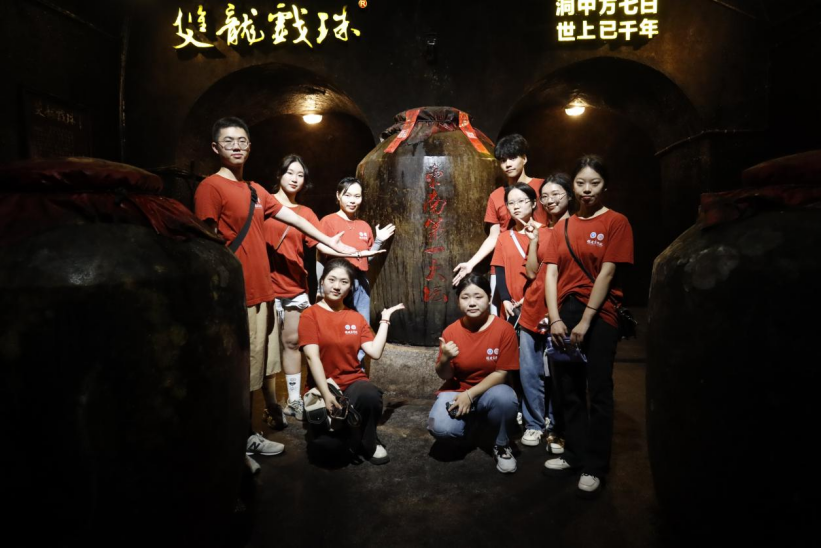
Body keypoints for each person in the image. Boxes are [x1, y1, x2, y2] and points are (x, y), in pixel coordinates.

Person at [193, 117, 351, 469]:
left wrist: (331, 242)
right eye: (228, 141)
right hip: (237, 293)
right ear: (215, 148)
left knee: (255, 370)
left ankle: (247, 434)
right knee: (235, 370)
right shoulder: (210, 187)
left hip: (262, 293)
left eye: (242, 141)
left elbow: (294, 219)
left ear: (250, 147)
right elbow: (206, 244)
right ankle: (234, 445)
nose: (236, 146)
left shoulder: (254, 191)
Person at [543, 155, 634, 497]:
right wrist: (555, 317)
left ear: (604, 186)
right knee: (567, 388)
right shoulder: (562, 227)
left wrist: (585, 320)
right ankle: (575, 454)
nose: (586, 189)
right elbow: (551, 273)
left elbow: (608, 272)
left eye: (594, 183)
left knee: (598, 390)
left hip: (600, 315)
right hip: (564, 313)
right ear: (573, 186)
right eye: (581, 183)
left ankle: (595, 465)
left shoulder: (616, 222)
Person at [263, 155, 351, 425]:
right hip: (265, 286)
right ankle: (270, 404)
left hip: (294, 286)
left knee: (292, 343)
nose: (294, 179)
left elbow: (319, 244)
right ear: (279, 174)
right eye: (290, 173)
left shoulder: (306, 213)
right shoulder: (263, 203)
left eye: (300, 175)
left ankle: (293, 401)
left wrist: (350, 250)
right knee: (267, 349)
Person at [299, 259, 404, 464]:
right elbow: (312, 357)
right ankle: (349, 434)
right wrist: (327, 394)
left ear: (350, 287)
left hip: (352, 384)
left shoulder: (355, 317)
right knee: (327, 452)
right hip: (323, 387)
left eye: (344, 282)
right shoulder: (310, 315)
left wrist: (385, 320)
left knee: (370, 394)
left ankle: (369, 441)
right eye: (332, 280)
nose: (337, 286)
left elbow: (374, 352)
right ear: (322, 281)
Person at [427, 275, 521, 474]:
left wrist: (470, 395)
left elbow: (502, 373)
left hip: (491, 392)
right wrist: (445, 359)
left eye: (478, 297)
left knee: (506, 399)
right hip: (457, 390)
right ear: (458, 301)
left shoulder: (504, 330)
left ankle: (501, 444)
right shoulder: (451, 331)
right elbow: (445, 375)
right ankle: (472, 429)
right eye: (465, 297)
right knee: (441, 428)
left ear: (489, 298)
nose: (472, 303)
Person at [516, 174, 573, 450]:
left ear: (569, 196)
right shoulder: (542, 230)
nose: (549, 201)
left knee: (560, 374)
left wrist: (556, 313)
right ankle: (534, 424)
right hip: (531, 308)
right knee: (530, 372)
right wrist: (534, 240)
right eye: (545, 196)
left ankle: (556, 426)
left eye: (556, 194)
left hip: (558, 312)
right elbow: (530, 272)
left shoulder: (574, 229)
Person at [452, 134, 547, 292]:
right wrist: (471, 263)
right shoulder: (496, 196)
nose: (508, 164)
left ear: (524, 158)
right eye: (503, 160)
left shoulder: (543, 187)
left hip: (540, 260)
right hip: (506, 263)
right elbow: (494, 236)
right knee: (504, 307)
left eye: (512, 158)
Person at [318, 177, 394, 331]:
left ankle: (359, 349)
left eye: (357, 196)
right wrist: (320, 289)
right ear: (338, 195)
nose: (352, 200)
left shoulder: (364, 225)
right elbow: (320, 255)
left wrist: (378, 240)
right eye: (347, 195)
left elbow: (366, 259)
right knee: (335, 327)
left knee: (360, 327)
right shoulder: (328, 221)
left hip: (360, 281)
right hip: (337, 281)